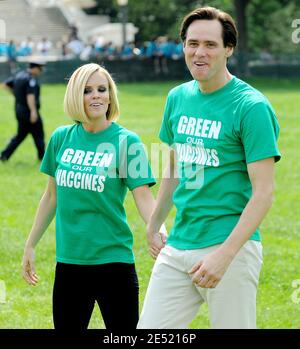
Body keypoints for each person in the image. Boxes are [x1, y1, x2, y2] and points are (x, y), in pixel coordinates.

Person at [138, 6, 281, 329]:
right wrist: (155, 222)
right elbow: (174, 168)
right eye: (192, 43)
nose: (199, 53)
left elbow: (264, 193)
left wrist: (225, 255)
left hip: (230, 247)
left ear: (229, 49)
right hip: (179, 245)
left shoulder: (251, 107)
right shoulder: (177, 97)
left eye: (210, 45)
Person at [22, 63, 166, 330]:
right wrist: (31, 244)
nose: (97, 95)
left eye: (102, 89)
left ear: (111, 95)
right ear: (76, 96)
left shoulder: (127, 141)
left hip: (114, 263)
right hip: (70, 263)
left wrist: (158, 229)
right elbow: (51, 196)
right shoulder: (60, 138)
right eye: (88, 90)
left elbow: (143, 195)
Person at [0, 60, 46, 162]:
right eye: (40, 69)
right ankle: (43, 159)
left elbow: (6, 85)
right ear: (34, 68)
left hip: (19, 110)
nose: (41, 71)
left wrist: (16, 95)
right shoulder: (30, 80)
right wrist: (33, 112)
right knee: (39, 135)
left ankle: (4, 155)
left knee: (20, 135)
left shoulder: (19, 75)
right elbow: (30, 96)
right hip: (29, 112)